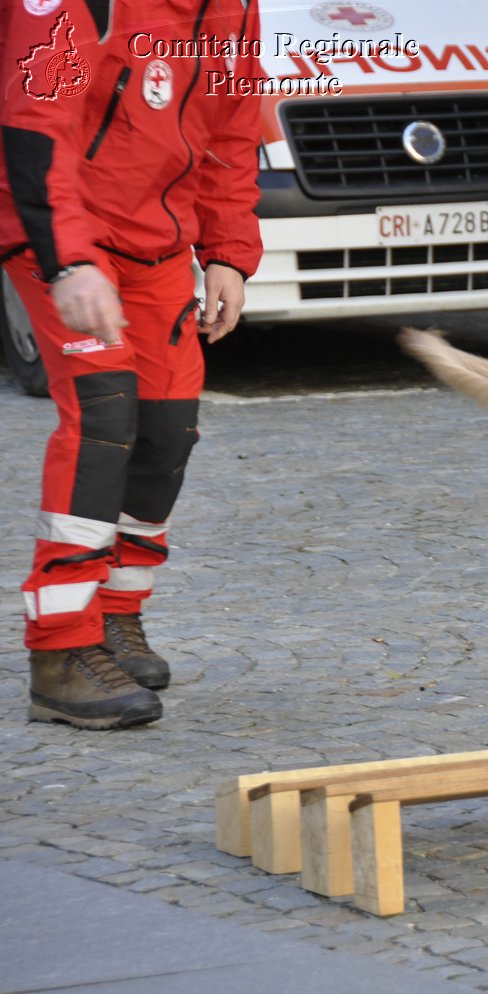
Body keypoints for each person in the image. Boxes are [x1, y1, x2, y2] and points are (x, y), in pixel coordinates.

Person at [1, 0, 263, 729]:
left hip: (153, 242)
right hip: (58, 229)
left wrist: (229, 253)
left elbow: (233, 127)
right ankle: (59, 651)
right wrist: (68, 261)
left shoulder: (235, 6)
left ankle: (114, 617)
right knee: (104, 416)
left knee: (166, 430)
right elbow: (35, 119)